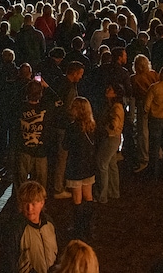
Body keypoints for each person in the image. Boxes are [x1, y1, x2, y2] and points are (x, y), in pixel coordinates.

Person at [1, 180, 57, 273]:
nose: (29, 208)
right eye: (25, 203)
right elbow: (9, 261)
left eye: (33, 203)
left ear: (42, 203)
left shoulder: (49, 223)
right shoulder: (15, 229)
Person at [64, 97, 97, 241]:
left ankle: (78, 229)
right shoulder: (92, 126)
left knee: (77, 199)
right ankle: (89, 227)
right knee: (88, 196)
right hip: (89, 166)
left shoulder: (72, 127)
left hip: (75, 166)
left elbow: (65, 145)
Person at [95, 84, 124, 204]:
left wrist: (106, 128)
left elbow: (114, 123)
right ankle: (114, 192)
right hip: (114, 138)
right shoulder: (115, 106)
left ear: (115, 94)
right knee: (112, 165)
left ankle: (102, 195)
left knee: (102, 164)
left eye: (110, 89)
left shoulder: (115, 107)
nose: (107, 90)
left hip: (110, 137)